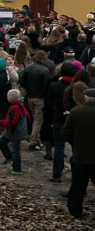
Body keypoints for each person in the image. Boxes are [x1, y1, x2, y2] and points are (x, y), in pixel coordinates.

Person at [62, 88, 95, 218]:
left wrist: (75, 144)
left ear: (85, 98)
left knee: (78, 185)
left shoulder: (76, 112)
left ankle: (75, 210)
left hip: (80, 155)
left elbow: (66, 133)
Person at [46, 62, 75, 182]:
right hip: (73, 119)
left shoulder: (55, 86)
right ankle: (77, 174)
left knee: (59, 146)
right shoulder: (76, 86)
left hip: (58, 118)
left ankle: (57, 173)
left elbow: (48, 103)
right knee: (75, 148)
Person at [20, 50, 51, 150]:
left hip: (29, 97)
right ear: (44, 58)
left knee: (35, 118)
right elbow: (46, 86)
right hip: (39, 98)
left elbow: (22, 82)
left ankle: (37, 141)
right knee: (38, 119)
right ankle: (33, 141)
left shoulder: (28, 68)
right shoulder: (45, 70)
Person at [0, 89, 30, 176]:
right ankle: (9, 158)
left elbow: (11, 122)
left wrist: (0, 122)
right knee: (1, 141)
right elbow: (27, 117)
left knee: (15, 150)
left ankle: (17, 169)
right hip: (14, 131)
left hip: (15, 132)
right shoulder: (20, 105)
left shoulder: (14, 108)